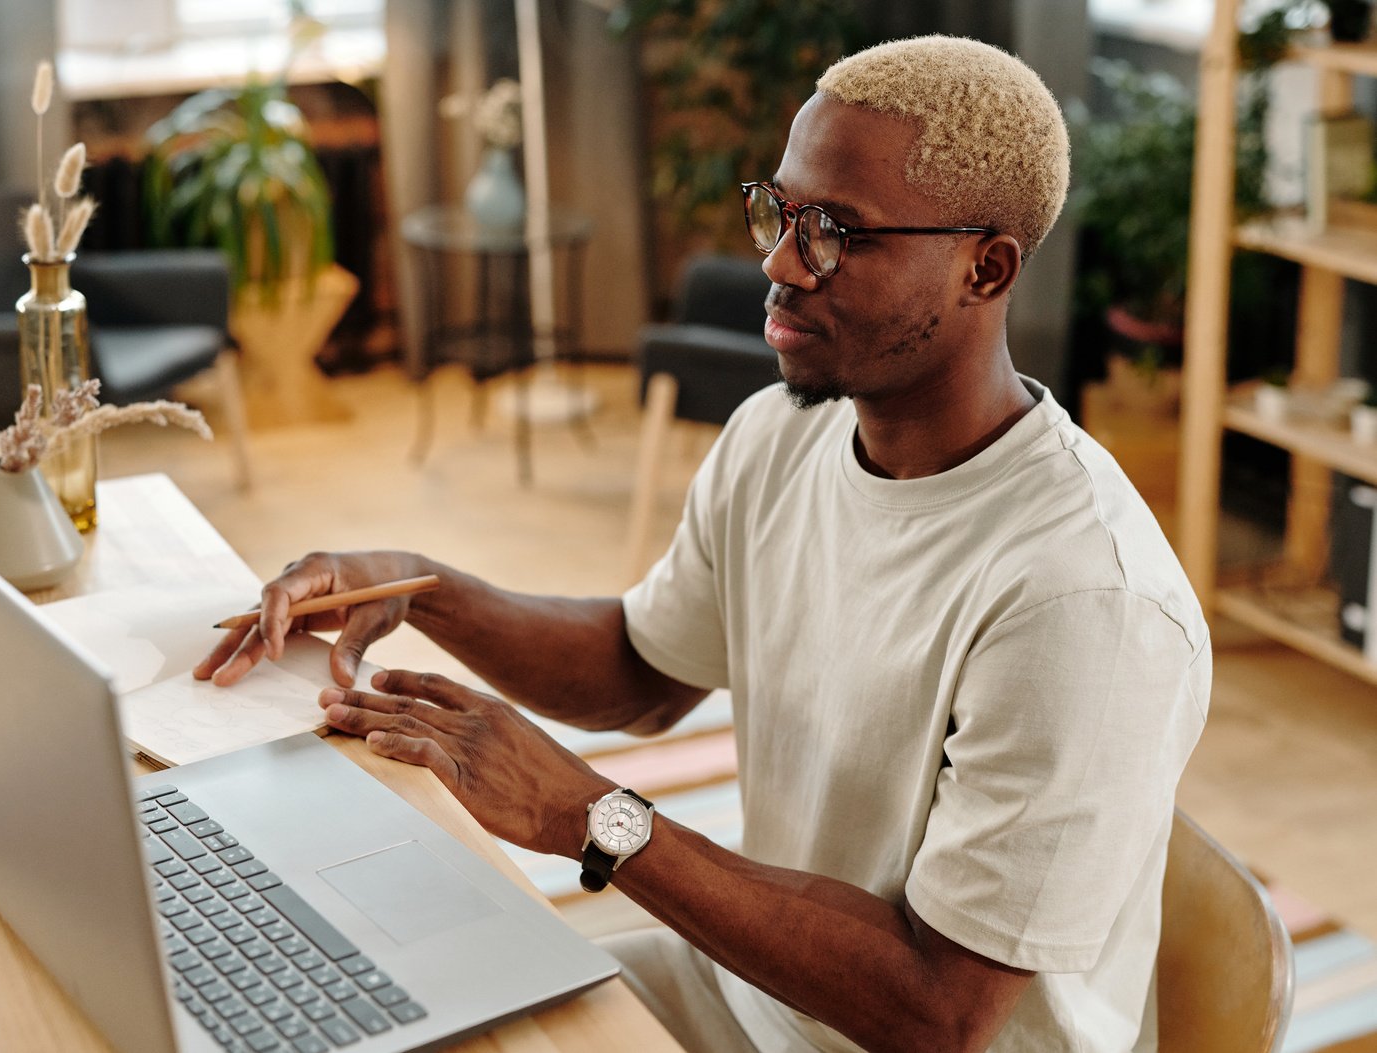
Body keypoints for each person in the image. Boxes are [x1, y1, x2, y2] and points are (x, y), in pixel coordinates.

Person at [197, 35, 1209, 1053]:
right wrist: (423, 590)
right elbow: (641, 669)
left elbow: (936, 1012)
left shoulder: (1085, 603)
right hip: (756, 998)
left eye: (837, 234)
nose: (777, 262)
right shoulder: (786, 432)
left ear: (985, 269)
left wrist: (593, 818)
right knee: (377, 1005)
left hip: (889, 1028)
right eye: (779, 211)